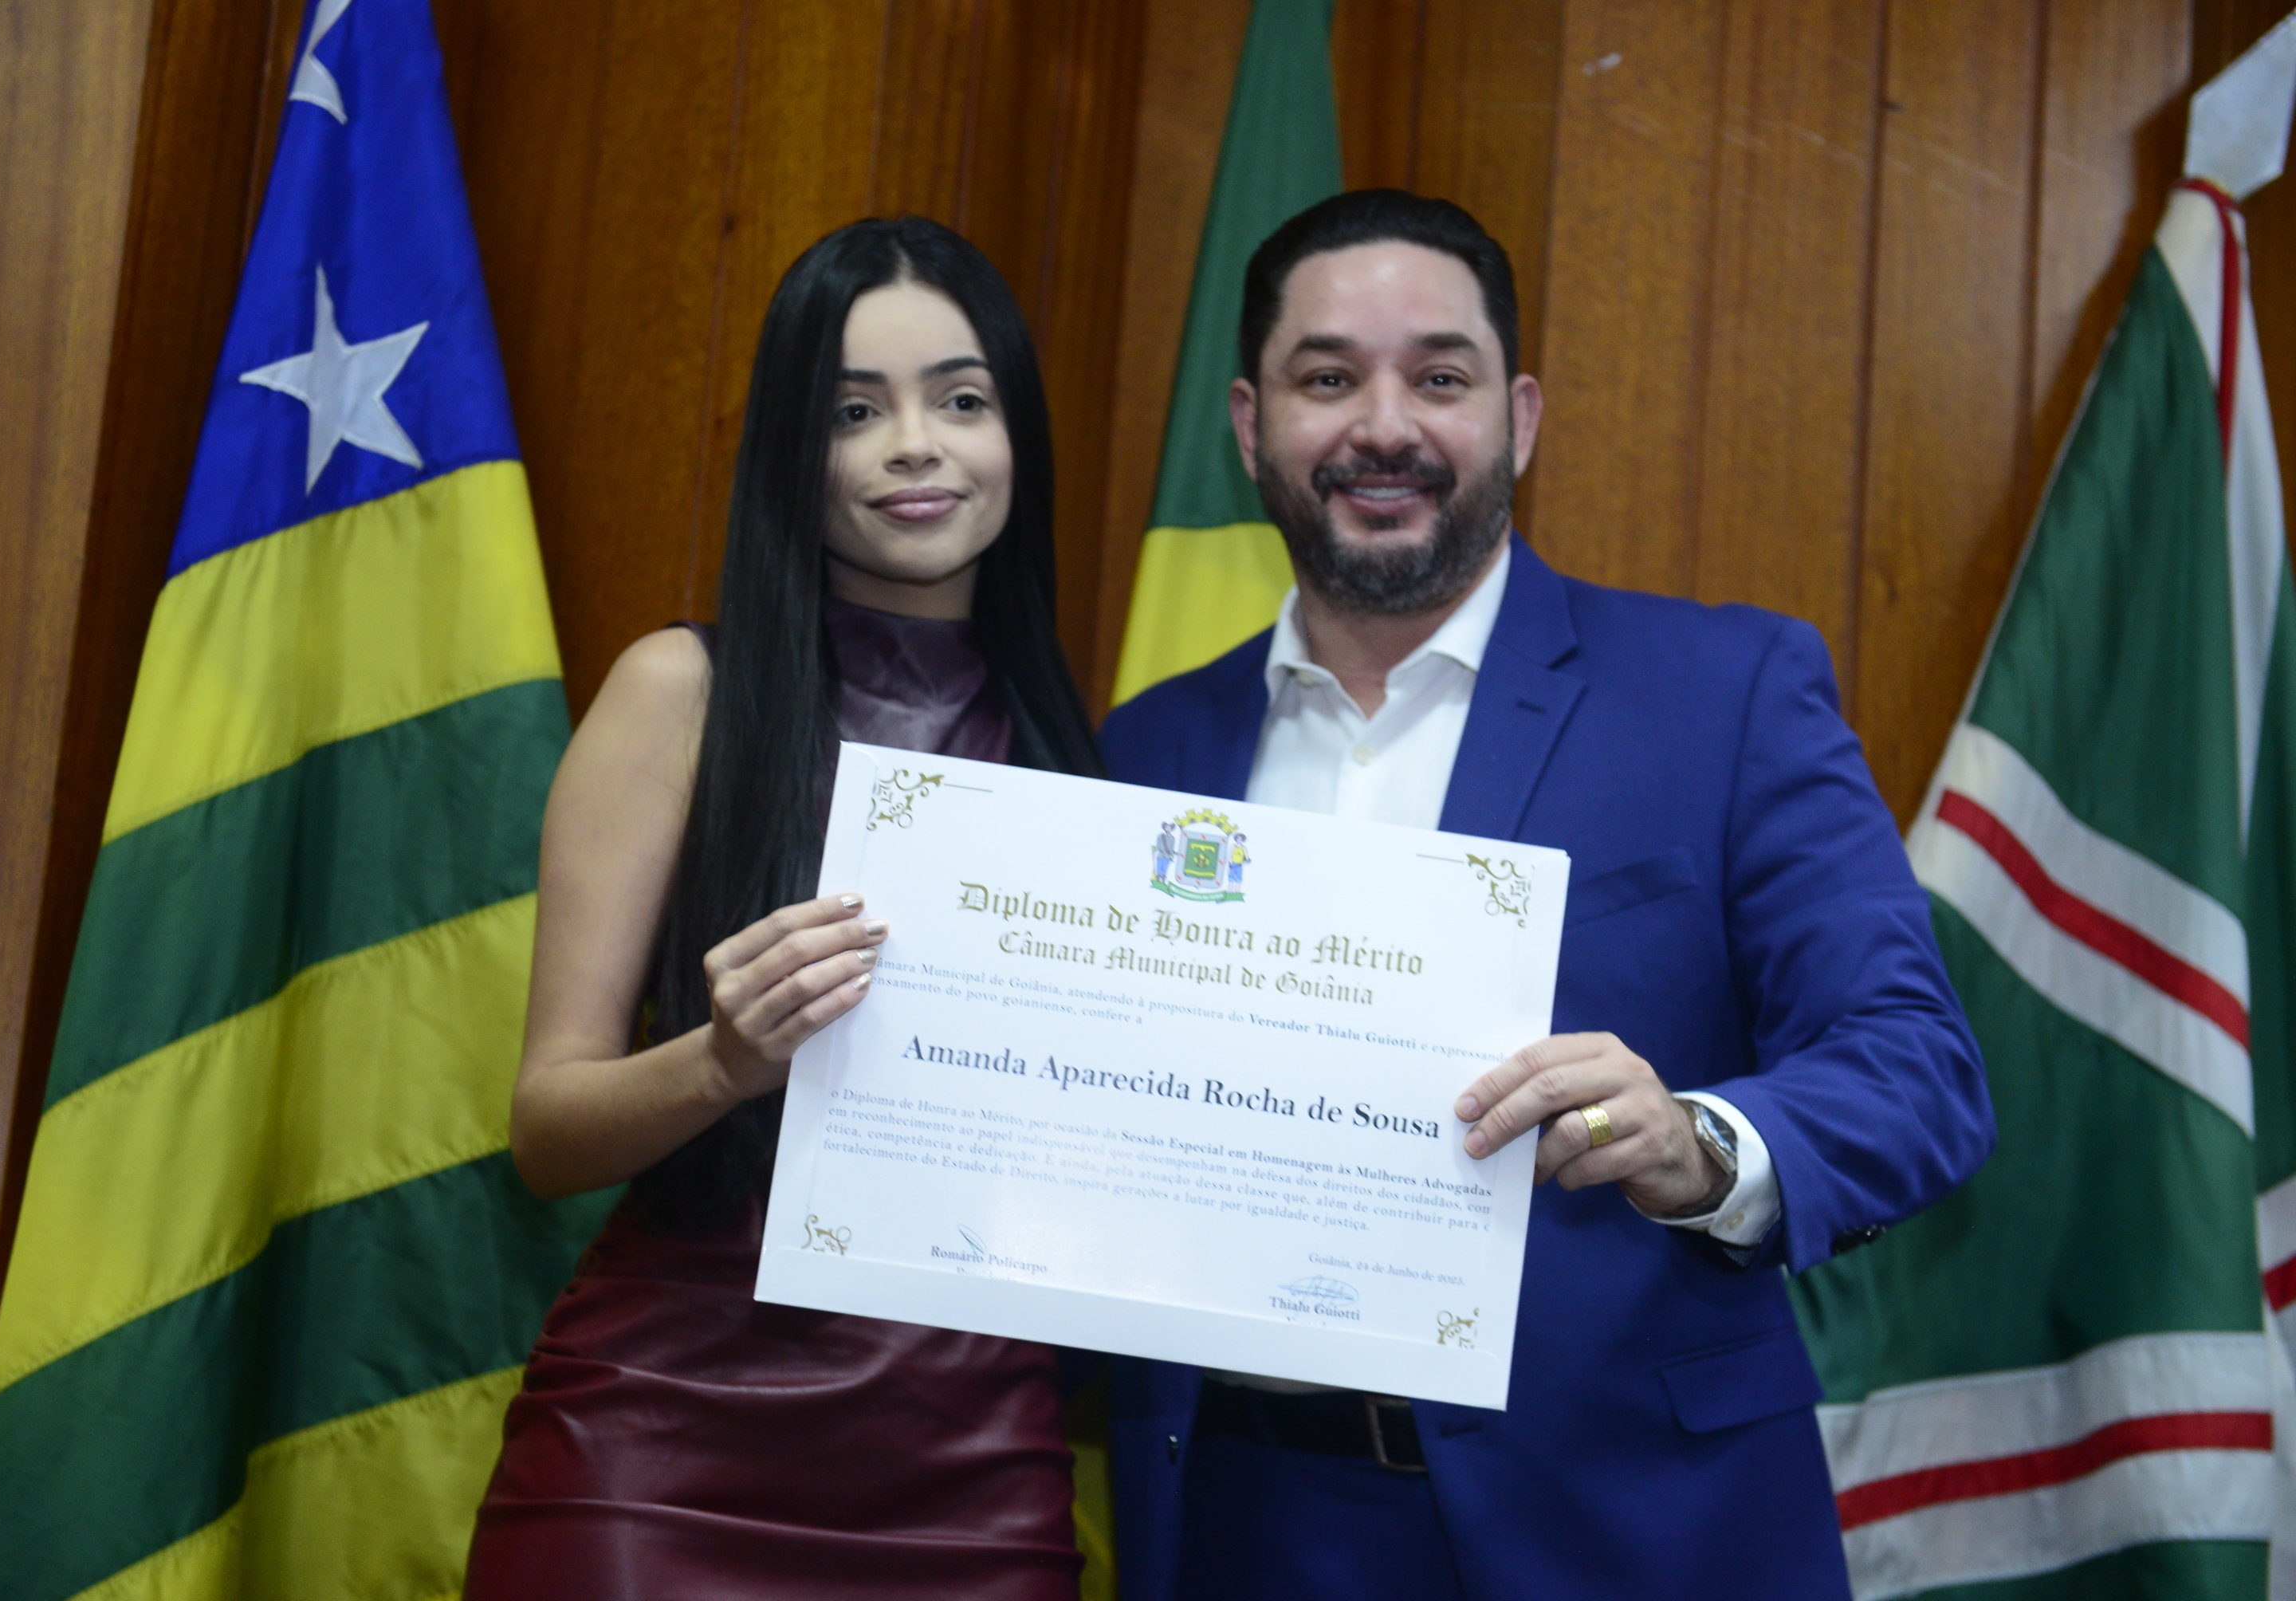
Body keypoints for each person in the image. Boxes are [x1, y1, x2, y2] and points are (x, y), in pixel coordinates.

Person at [1099, 190, 1993, 1600]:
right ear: (1250, 424)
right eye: (1327, 379)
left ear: (1518, 419)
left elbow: (1916, 1069)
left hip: (1631, 1532)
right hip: (1236, 1523)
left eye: (1438, 378)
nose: (1383, 426)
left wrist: (1701, 1145)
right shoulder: (1141, 750)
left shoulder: (1727, 696)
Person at [464, 217, 1102, 1600]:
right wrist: (722, 1060)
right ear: (789, 455)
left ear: (1019, 436)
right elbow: (546, 1134)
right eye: (854, 412)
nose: (915, 446)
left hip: (977, 1462)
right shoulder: (680, 693)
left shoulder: (1079, 760)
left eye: (962, 400)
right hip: (663, 1442)